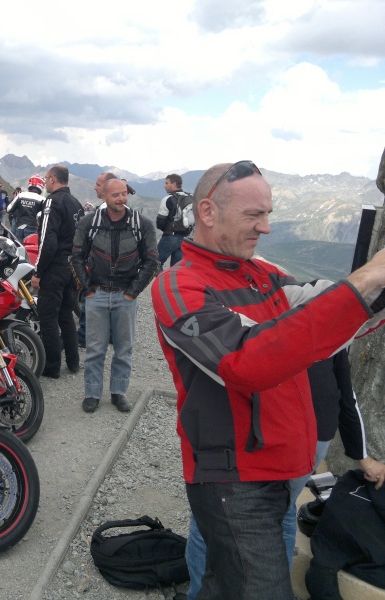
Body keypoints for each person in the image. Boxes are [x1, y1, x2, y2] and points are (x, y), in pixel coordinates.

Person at [151, 160, 385, 600]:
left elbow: (329, 316)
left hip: (282, 465)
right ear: (207, 212)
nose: (266, 228)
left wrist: (375, 287)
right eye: (254, 216)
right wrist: (368, 276)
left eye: (268, 215)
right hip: (235, 481)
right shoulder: (177, 286)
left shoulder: (265, 275)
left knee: (226, 585)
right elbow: (247, 362)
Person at [184, 347, 385, 599]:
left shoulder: (267, 312)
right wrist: (362, 456)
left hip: (272, 428)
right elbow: (346, 390)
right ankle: (275, 588)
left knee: (210, 520)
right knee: (282, 511)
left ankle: (201, 593)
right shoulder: (328, 318)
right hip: (316, 432)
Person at [72, 178, 158, 413]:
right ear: (104, 197)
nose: (121, 198)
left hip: (125, 295)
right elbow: (76, 257)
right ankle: (92, 393)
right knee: (95, 349)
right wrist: (87, 290)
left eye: (124, 194)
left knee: (124, 348)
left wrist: (132, 293)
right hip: (97, 294)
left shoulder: (142, 224)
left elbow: (152, 261)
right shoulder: (89, 223)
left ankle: (118, 392)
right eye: (116, 195)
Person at [30, 165, 81, 379]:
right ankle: (73, 361)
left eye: (46, 178)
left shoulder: (52, 201)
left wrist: (38, 272)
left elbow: (47, 241)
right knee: (66, 314)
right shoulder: (75, 203)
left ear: (52, 179)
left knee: (48, 316)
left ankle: (51, 367)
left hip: (56, 266)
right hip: (71, 266)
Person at [77, 172, 116, 347]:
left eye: (98, 184)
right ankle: (110, 334)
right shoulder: (118, 210)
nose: (95, 187)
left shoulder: (102, 211)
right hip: (114, 268)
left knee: (90, 299)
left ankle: (85, 336)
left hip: (99, 266)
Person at [155, 173, 192, 268]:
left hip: (170, 237)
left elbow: (160, 222)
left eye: (167, 183)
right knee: (177, 268)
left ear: (174, 184)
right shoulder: (190, 197)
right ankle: (174, 283)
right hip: (185, 238)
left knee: (155, 264)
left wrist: (167, 229)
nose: (164, 186)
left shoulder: (168, 199)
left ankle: (162, 282)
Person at [7, 175, 45, 242]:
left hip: (19, 227)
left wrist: (18, 211)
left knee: (18, 248)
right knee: (30, 249)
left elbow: (9, 209)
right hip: (33, 228)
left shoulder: (21, 195)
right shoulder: (42, 199)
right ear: (41, 186)